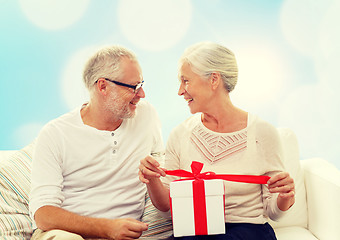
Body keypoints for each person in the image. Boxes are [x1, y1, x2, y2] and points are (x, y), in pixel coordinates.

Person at [139, 41, 295, 240]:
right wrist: (152, 180)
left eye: (186, 81)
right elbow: (167, 208)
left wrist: (285, 196)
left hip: (247, 231)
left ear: (214, 80)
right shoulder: (181, 134)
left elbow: (274, 212)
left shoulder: (262, 133)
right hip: (196, 231)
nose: (180, 91)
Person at [29, 45, 164, 240]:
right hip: (67, 234)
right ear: (103, 86)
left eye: (141, 84)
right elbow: (43, 214)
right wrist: (107, 228)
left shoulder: (146, 116)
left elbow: (161, 173)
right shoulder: (55, 134)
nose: (141, 94)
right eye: (134, 87)